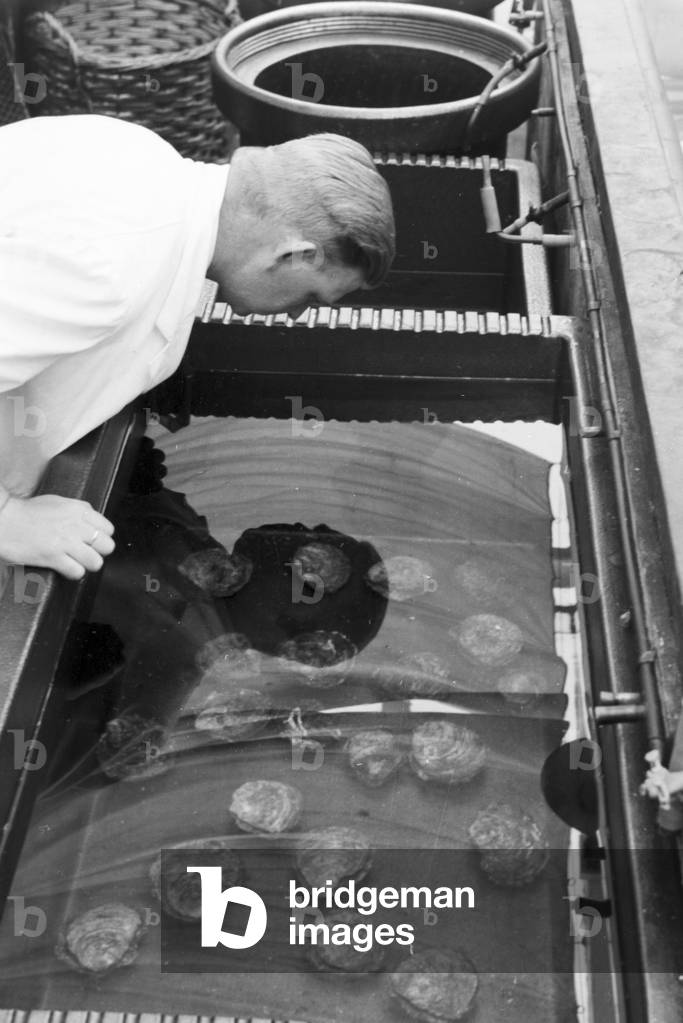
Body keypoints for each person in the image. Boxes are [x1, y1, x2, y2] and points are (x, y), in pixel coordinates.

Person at [0, 114, 395, 581]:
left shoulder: (135, 147)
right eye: (310, 297)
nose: (296, 316)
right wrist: (9, 520)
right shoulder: (113, 269)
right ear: (295, 255)